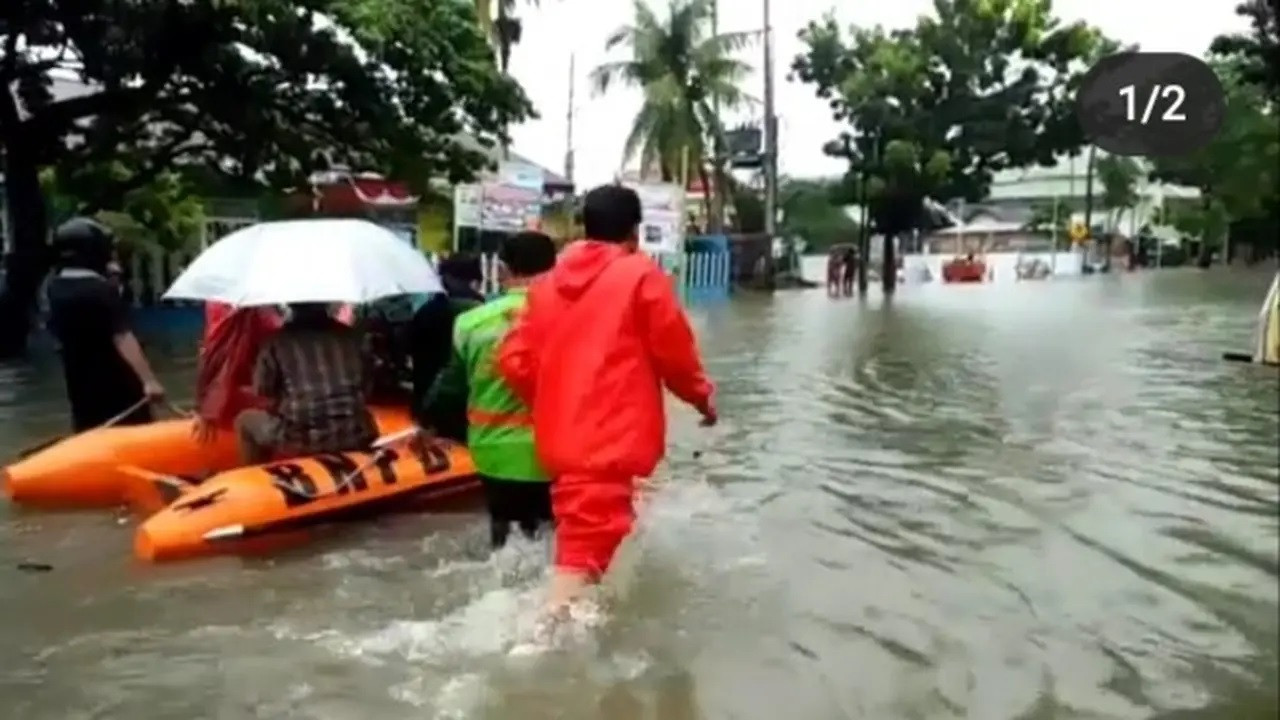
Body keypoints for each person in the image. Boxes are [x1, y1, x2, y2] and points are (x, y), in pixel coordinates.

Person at [497, 184, 717, 616]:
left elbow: (515, 361)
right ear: (635, 232)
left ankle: (560, 628)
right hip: (611, 445)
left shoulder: (546, 286)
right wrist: (702, 399)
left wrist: (555, 402)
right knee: (578, 567)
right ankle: (541, 645)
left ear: (584, 227)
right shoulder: (640, 275)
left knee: (591, 545)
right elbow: (675, 354)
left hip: (562, 446)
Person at [421, 231, 557, 549]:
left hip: (495, 453)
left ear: (502, 270)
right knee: (559, 550)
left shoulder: (471, 323)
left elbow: (451, 389)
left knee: (506, 546)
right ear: (554, 268)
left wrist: (426, 423)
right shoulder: (577, 319)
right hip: (561, 453)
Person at [44, 218, 165, 432]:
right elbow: (122, 337)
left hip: (81, 389)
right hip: (119, 389)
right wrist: (149, 380)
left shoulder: (55, 289)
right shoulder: (100, 291)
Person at [234, 302, 377, 463]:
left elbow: (263, 390)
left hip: (302, 439)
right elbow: (367, 385)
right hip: (355, 432)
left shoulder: (275, 342)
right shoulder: (352, 336)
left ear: (291, 307)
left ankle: (259, 477)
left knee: (244, 421)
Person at [408, 254, 485, 441]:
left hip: (432, 404)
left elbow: (408, 347)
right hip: (473, 407)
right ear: (474, 281)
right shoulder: (485, 314)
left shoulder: (429, 311)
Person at [191, 302, 282, 444]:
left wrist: (205, 407)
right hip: (245, 394)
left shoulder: (222, 306)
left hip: (240, 394)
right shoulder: (249, 313)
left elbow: (217, 357)